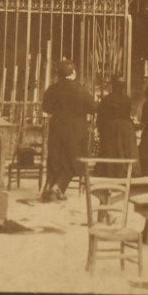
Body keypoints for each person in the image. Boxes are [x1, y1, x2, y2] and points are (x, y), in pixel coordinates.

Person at [40, 60, 95, 201]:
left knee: (55, 158)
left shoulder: (52, 88)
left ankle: (48, 187)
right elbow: (93, 107)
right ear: (73, 73)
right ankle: (58, 187)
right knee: (73, 159)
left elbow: (45, 108)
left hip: (57, 127)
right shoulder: (81, 89)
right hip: (75, 130)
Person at [96, 78, 137, 175]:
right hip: (125, 127)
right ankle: (124, 170)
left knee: (110, 149)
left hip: (111, 126)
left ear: (113, 86)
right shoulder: (127, 99)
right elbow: (127, 114)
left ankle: (111, 170)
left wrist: (101, 128)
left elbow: (101, 116)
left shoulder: (107, 99)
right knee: (124, 149)